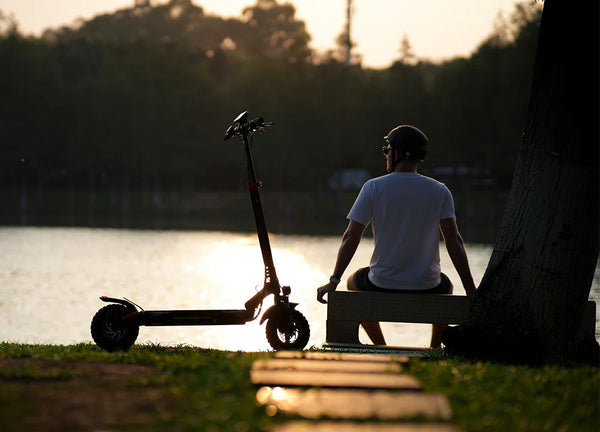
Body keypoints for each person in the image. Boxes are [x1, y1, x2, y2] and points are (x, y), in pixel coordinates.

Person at [316, 125, 477, 348]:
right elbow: (454, 240)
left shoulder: (373, 187)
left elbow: (351, 237)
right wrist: (470, 288)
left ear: (397, 154)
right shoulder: (440, 191)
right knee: (447, 285)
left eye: (387, 150)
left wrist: (333, 281)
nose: (386, 155)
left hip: (381, 282)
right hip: (428, 285)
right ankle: (433, 347)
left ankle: (380, 345)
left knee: (353, 281)